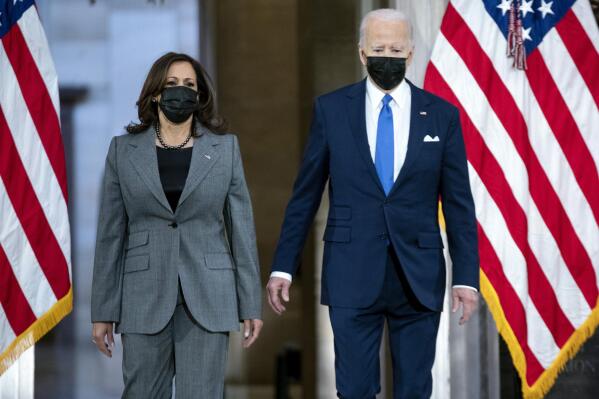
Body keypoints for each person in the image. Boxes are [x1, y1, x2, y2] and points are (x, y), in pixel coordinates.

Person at [267, 9, 479, 399]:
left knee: (415, 389)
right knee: (354, 389)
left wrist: (466, 277)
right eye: (379, 48)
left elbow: (459, 204)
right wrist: (284, 266)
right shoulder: (331, 110)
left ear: (411, 53)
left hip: (418, 274)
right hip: (351, 270)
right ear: (362, 53)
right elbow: (305, 196)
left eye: (396, 48)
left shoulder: (442, 117)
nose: (388, 56)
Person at [91, 52, 263, 398]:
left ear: (200, 96)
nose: (180, 92)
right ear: (155, 92)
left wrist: (250, 305)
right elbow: (111, 235)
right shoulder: (123, 151)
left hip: (209, 295)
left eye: (189, 85)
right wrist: (103, 310)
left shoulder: (225, 149)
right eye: (171, 85)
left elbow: (241, 230)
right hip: (143, 295)